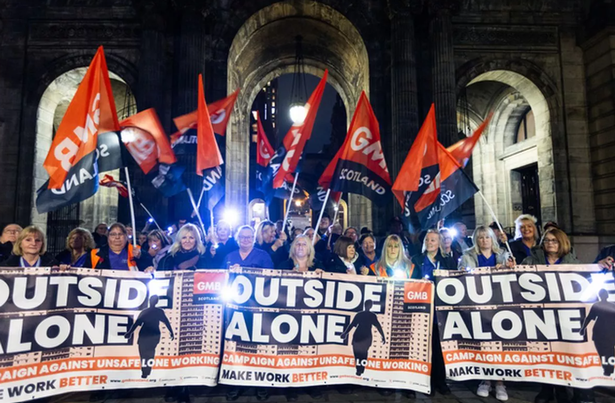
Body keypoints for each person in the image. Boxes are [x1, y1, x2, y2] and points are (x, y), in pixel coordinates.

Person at [523, 228, 594, 403]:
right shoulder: (531, 261)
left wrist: (601, 264)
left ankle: (577, 391)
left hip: (567, 317)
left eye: (554, 240)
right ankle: (548, 390)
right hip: (542, 316)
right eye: (546, 240)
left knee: (570, 353)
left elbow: (588, 281)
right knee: (546, 353)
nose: (550, 243)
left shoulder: (574, 263)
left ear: (562, 242)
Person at [411, 229, 455, 396]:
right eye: (427, 240)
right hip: (422, 309)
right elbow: (410, 281)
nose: (429, 243)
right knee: (424, 347)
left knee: (439, 346)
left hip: (440, 310)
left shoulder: (446, 261)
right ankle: (426, 380)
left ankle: (440, 381)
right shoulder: (416, 260)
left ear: (439, 243)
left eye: (433, 240)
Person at [124, 295, 174, 379]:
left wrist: (129, 333)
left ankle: (146, 372)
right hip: (148, 334)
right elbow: (137, 323)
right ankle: (145, 372)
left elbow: (166, 322)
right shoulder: (155, 311)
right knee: (147, 354)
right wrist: (129, 333)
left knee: (146, 354)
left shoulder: (149, 311)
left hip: (151, 334)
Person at [340, 300, 386, 376]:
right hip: (362, 336)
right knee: (361, 354)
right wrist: (345, 333)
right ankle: (359, 370)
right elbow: (352, 325)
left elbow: (378, 326)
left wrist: (345, 333)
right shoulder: (367, 315)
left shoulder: (364, 315)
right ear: (370, 306)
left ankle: (360, 370)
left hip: (364, 336)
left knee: (360, 354)